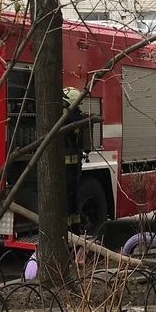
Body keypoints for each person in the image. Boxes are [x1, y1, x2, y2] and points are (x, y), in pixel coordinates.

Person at [62, 88, 92, 231]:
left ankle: (72, 227)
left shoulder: (65, 117)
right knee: (71, 198)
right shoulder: (74, 118)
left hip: (69, 168)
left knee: (71, 198)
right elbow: (87, 147)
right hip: (70, 169)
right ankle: (72, 228)